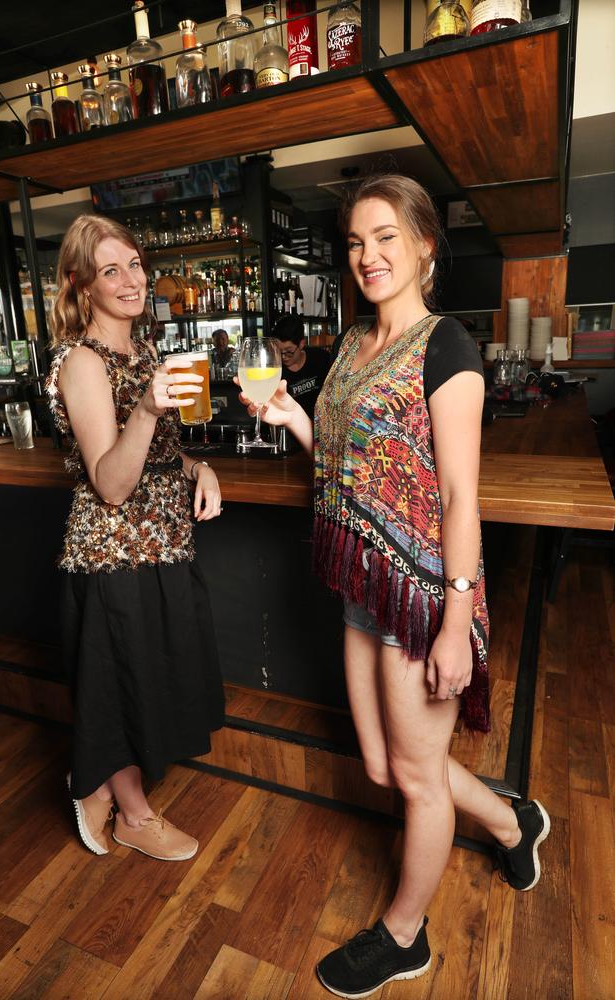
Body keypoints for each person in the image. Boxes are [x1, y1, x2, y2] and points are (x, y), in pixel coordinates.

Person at [239, 175, 550, 997]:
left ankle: (404, 937)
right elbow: (347, 467)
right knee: (386, 765)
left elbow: (456, 495)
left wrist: (454, 620)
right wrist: (296, 421)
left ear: (423, 245)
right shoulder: (350, 345)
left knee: (416, 776)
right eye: (354, 243)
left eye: (384, 238)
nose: (367, 256)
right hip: (363, 586)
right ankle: (509, 819)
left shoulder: (447, 346)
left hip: (423, 596)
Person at [46, 215, 225, 862]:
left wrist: (201, 467)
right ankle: (133, 814)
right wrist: (147, 410)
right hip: (111, 551)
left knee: (152, 677)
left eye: (135, 264)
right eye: (109, 269)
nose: (130, 280)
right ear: (81, 284)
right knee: (120, 681)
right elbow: (112, 483)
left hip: (165, 542)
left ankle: (94, 781)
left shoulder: (145, 354)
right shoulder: (81, 361)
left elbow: (159, 460)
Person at [273, 313, 331, 419]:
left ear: (301, 344)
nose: (283, 357)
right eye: (279, 351)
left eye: (289, 351)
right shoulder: (275, 370)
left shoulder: (322, 359)